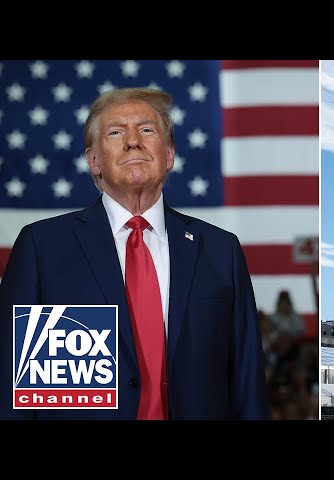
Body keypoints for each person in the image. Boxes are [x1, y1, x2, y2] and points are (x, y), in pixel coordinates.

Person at [0, 87, 269, 420]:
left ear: (169, 155)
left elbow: (247, 383)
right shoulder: (43, 247)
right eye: (115, 132)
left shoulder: (221, 250)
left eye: (146, 130)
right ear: (93, 161)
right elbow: (14, 392)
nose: (132, 141)